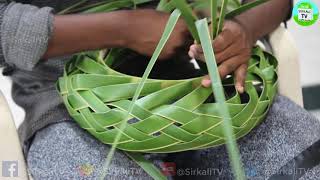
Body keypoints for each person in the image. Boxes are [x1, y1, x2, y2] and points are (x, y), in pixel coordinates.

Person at [1, 0, 320, 179]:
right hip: (71, 105)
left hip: (209, 88)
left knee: (304, 162)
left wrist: (243, 28)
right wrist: (122, 29)